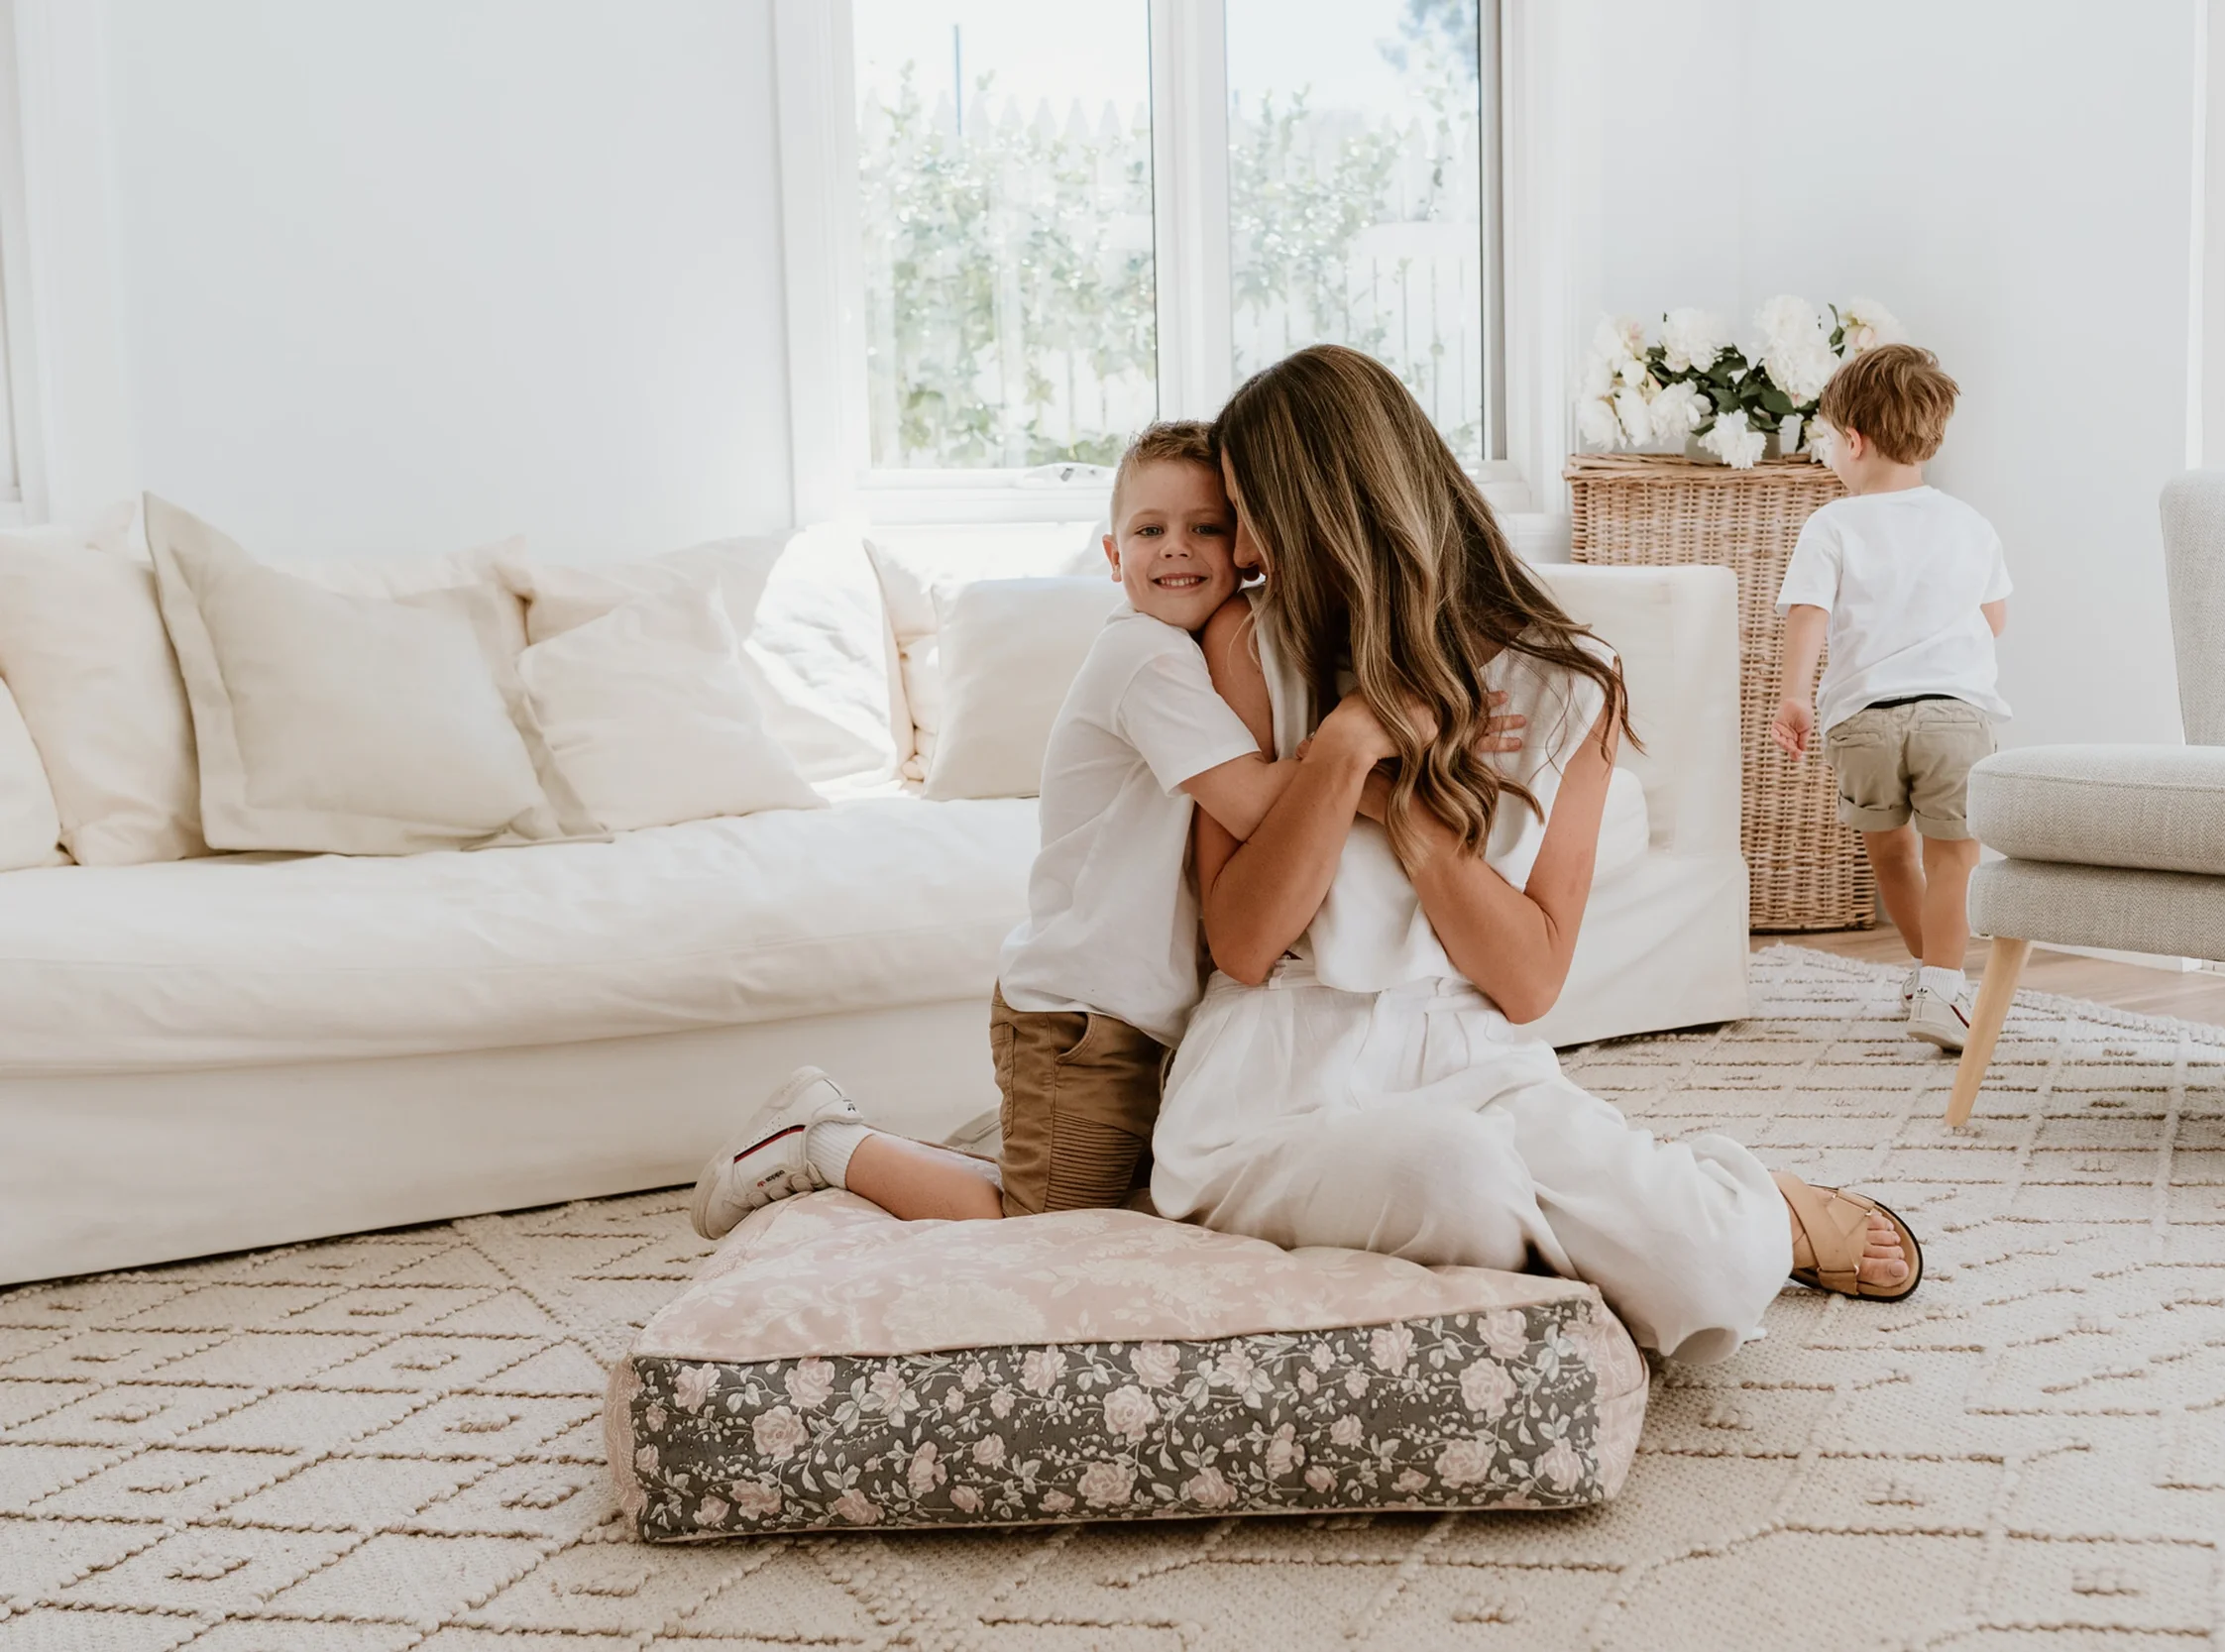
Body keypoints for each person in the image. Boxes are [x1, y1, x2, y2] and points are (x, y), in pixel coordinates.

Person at [1145, 345, 1918, 1369]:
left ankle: (1745, 1200)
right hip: (1280, 1082)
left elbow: (1527, 979)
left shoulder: (1572, 681)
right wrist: (1343, 743)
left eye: (1250, 512)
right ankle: (1550, 1256)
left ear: (1328, 507)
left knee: (1712, 1270)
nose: (1237, 549)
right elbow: (1241, 944)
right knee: (1451, 1176)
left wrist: (1404, 807)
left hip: (1477, 1060)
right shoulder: (1249, 640)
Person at [685, 420, 1518, 1237]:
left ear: (1247, 547)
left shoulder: (1193, 655)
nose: (1177, 549)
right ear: (1112, 555)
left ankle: (958, 1145)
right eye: (1149, 530)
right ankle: (822, 1139)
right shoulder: (1145, 660)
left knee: (1118, 1188)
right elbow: (1260, 805)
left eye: (1206, 528)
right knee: (1045, 1220)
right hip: (1083, 1011)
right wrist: (1396, 753)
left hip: (1138, 1008)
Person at [1768, 345, 2011, 1051]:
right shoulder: (1969, 524)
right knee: (1954, 856)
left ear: (1853, 440)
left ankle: (1925, 976)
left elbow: (1807, 612)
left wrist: (1795, 698)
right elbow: (1994, 620)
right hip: (1955, 717)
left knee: (1891, 854)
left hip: (1863, 720)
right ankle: (1941, 983)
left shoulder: (1832, 525)